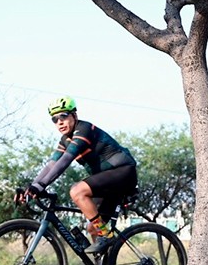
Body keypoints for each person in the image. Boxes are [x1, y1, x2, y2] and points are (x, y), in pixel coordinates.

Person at [19, 96, 138, 254]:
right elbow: (52, 164)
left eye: (63, 116)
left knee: (77, 191)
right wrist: (32, 186)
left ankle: (106, 235)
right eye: (54, 119)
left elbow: (67, 159)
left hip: (123, 171)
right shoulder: (65, 140)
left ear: (74, 116)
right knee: (93, 227)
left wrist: (41, 185)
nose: (59, 122)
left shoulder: (84, 129)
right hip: (108, 182)